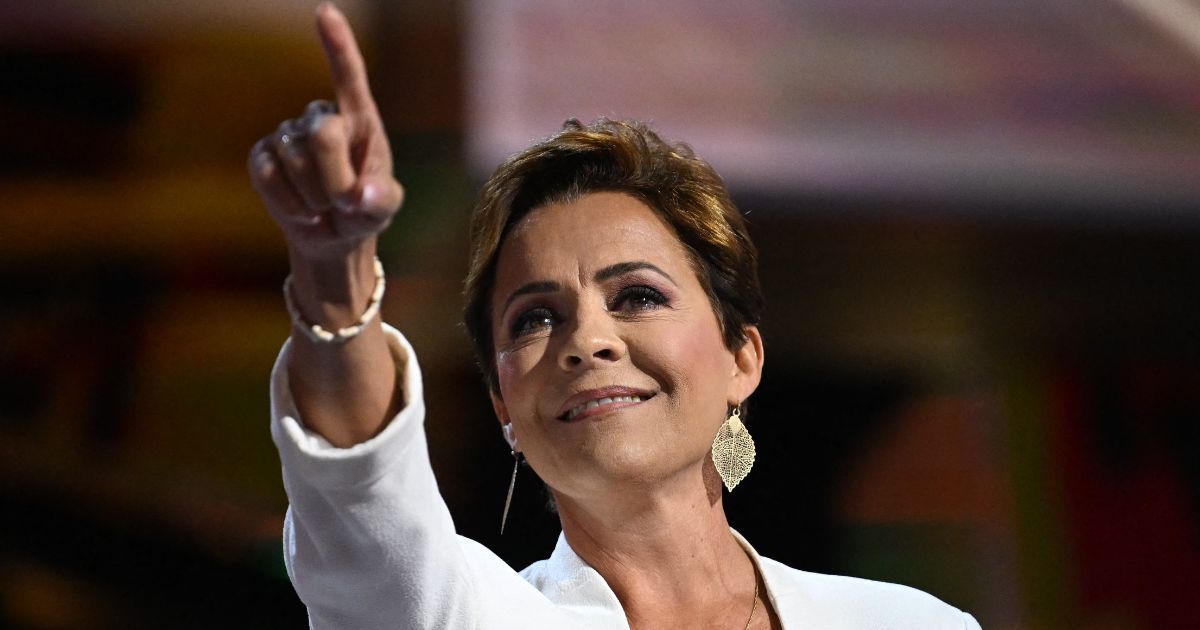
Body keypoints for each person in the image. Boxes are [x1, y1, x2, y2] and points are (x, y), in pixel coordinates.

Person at [248, 4, 983, 629]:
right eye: (534, 318)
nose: (587, 341)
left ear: (742, 359)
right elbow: (363, 511)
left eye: (636, 296)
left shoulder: (914, 622)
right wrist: (333, 268)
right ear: (504, 402)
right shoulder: (471, 614)